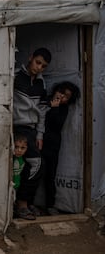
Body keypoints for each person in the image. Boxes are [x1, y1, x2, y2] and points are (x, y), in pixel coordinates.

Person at [13, 47, 51, 220]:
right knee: (37, 164)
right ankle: (21, 204)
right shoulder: (15, 77)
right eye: (38, 62)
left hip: (32, 130)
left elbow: (42, 111)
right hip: (17, 127)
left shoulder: (41, 84)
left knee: (31, 166)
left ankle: (25, 203)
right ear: (30, 58)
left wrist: (40, 135)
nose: (39, 68)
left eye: (43, 66)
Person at [42, 81, 80, 215]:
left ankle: (50, 205)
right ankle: (27, 204)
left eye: (66, 96)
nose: (62, 96)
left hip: (52, 145)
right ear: (56, 90)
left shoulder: (63, 109)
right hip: (38, 142)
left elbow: (56, 124)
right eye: (61, 92)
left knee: (50, 175)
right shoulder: (44, 100)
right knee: (34, 173)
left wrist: (55, 107)